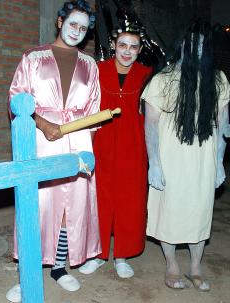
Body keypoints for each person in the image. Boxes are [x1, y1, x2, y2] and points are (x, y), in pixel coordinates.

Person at [6, 1, 100, 301]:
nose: (77, 31)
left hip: (78, 138)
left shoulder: (90, 65)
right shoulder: (33, 57)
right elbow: (16, 99)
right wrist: (42, 122)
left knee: (69, 208)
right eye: (73, 24)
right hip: (41, 137)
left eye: (83, 28)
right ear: (60, 22)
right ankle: (28, 274)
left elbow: (93, 109)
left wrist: (85, 144)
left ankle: (60, 267)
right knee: (38, 206)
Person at [142, 21, 230, 291]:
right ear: (182, 46)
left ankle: (195, 266)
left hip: (202, 161)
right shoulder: (163, 80)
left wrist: (218, 163)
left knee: (199, 211)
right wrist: (154, 164)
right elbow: (151, 126)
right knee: (169, 211)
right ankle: (171, 265)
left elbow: (222, 126)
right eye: (193, 43)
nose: (197, 48)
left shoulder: (217, 80)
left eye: (203, 44)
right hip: (170, 159)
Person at [78, 12, 152, 278]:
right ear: (113, 45)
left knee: (130, 200)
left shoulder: (147, 75)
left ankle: (122, 254)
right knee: (98, 197)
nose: (127, 51)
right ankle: (97, 254)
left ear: (140, 49)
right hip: (102, 145)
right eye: (122, 45)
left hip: (134, 147)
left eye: (133, 47)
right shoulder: (97, 71)